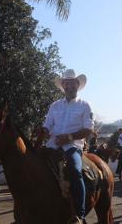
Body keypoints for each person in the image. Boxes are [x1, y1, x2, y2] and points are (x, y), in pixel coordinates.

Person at [37, 69, 93, 224]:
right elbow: (48, 125)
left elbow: (88, 129)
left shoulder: (84, 105)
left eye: (72, 83)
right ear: (63, 86)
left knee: (75, 170)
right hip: (52, 145)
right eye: (66, 83)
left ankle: (80, 215)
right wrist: (43, 131)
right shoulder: (55, 106)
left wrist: (69, 137)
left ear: (77, 85)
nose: (69, 86)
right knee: (32, 164)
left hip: (72, 146)